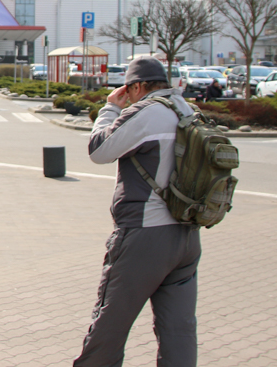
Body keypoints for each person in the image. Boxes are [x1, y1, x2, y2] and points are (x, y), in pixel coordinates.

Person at [73, 56, 202, 367]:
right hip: (187, 236)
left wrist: (110, 108)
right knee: (179, 331)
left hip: (145, 235)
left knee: (110, 325)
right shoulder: (186, 110)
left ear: (138, 86)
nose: (127, 96)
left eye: (128, 89)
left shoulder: (146, 112)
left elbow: (99, 150)